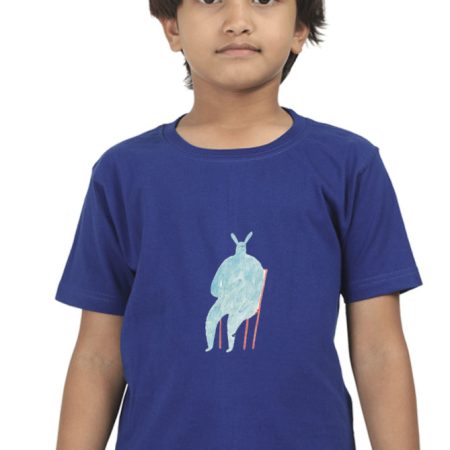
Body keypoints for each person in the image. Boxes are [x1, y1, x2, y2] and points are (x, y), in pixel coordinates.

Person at [54, 1, 423, 449]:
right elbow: (97, 356)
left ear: (300, 27)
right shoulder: (123, 174)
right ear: (172, 26)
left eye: (264, 0)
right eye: (211, 0)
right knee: (216, 320)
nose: (238, 22)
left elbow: (379, 350)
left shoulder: (349, 167)